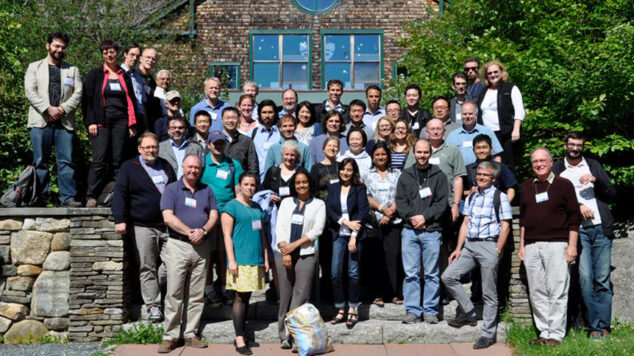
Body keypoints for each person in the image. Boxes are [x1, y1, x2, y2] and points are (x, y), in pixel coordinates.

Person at [441, 161, 512, 349]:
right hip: (470, 246)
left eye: (485, 175)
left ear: (493, 178)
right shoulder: (472, 197)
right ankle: (469, 312)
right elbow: (466, 223)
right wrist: (458, 248)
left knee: (489, 293)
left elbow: (505, 226)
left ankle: (488, 334)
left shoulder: (500, 197)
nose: (480, 177)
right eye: (479, 174)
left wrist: (497, 250)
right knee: (448, 276)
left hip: (489, 245)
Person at [553, 132, 616, 339]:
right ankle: (593, 326)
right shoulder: (557, 170)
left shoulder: (593, 165)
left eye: (579, 145)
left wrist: (596, 180)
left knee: (602, 280)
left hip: (600, 228)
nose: (575, 148)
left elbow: (611, 194)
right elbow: (554, 203)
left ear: (583, 147)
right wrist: (577, 206)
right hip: (577, 231)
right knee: (586, 279)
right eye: (571, 144)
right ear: (565, 146)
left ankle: (604, 325)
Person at [518, 148, 581, 346]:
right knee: (537, 291)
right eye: (535, 161)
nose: (539, 164)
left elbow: (574, 218)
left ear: (551, 162)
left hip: (557, 244)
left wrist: (572, 246)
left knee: (557, 289)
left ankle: (555, 334)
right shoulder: (527, 186)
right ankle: (543, 332)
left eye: (542, 160)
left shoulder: (564, 185)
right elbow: (523, 220)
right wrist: (522, 245)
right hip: (531, 246)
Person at [113, 132, 176, 323]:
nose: (151, 150)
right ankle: (154, 306)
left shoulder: (165, 165)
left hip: (166, 224)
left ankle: (158, 290)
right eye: (147, 147)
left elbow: (174, 191)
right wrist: (119, 219)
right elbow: (120, 194)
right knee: (146, 266)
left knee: (172, 264)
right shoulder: (129, 167)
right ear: (140, 149)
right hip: (142, 225)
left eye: (154, 147)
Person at [158, 154, 218, 353]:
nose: (193, 170)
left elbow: (213, 214)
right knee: (174, 292)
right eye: (190, 167)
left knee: (196, 294)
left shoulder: (206, 190)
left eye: (197, 168)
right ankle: (170, 336)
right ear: (183, 167)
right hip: (178, 245)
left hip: (201, 247)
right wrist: (190, 232)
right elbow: (168, 217)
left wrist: (204, 231)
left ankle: (191, 333)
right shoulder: (171, 189)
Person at [25, 31, 83, 207]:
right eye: (57, 46)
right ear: (48, 45)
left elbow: (78, 93)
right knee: (40, 161)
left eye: (63, 47)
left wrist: (62, 109)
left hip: (64, 123)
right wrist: (47, 109)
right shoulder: (34, 67)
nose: (60, 49)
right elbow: (30, 91)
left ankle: (68, 198)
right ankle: (39, 199)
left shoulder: (72, 70)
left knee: (66, 162)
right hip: (40, 121)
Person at [395, 139, 448, 324]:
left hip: (432, 230)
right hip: (410, 231)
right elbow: (401, 203)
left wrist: (425, 217)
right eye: (419, 152)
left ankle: (431, 310)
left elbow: (442, 204)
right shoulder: (406, 175)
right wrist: (413, 219)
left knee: (432, 273)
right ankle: (412, 310)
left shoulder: (439, 176)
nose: (422, 156)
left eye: (425, 152)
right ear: (414, 153)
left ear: (430, 153)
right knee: (411, 274)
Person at [274, 170, 326, 350]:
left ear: (310, 183)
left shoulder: (318, 204)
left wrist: (294, 246)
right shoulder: (287, 202)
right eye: (298, 183)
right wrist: (285, 251)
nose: (301, 185)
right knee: (285, 296)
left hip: (306, 254)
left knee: (301, 296)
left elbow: (317, 230)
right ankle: (283, 335)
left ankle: (297, 336)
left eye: (304, 182)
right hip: (283, 253)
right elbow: (279, 226)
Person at [83, 39, 138, 208]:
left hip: (121, 122)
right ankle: (91, 195)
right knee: (100, 159)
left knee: (118, 160)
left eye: (111, 51)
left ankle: (118, 195)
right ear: (102, 55)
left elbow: (131, 100)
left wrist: (132, 124)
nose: (108, 54)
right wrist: (90, 122)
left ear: (117, 53)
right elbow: (88, 100)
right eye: (105, 52)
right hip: (101, 122)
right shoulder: (95, 74)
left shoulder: (124, 75)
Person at [222, 173, 270, 355]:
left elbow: (262, 235)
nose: (250, 188)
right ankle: (239, 337)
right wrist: (231, 260)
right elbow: (226, 235)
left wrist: (265, 258)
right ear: (239, 186)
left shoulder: (257, 207)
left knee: (247, 296)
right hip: (240, 259)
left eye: (252, 185)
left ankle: (242, 331)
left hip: (255, 258)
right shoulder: (231, 207)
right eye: (246, 184)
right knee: (240, 298)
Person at [200, 131, 245, 306]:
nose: (218, 146)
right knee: (208, 255)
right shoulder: (203, 164)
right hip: (206, 215)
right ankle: (209, 290)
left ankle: (226, 288)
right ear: (209, 144)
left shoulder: (233, 165)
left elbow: (238, 190)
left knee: (224, 253)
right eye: (215, 143)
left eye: (221, 143)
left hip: (227, 214)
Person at [326, 158, 369, 329]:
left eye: (349, 170)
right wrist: (345, 222)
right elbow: (329, 209)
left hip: (355, 236)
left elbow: (363, 210)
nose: (345, 173)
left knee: (353, 272)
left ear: (354, 171)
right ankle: (339, 307)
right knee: (335, 272)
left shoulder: (359, 188)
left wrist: (353, 234)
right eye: (343, 169)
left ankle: (353, 307)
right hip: (338, 233)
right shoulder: (334, 187)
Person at [363, 142, 404, 306]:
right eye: (377, 154)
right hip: (374, 223)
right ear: (373, 157)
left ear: (388, 156)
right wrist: (382, 209)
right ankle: (377, 294)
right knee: (376, 259)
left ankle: (394, 293)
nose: (380, 157)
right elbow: (365, 196)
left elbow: (401, 195)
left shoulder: (397, 173)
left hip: (394, 221)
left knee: (393, 258)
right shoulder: (366, 174)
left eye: (383, 154)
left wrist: (390, 212)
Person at [477, 60, 525, 168]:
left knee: (507, 164)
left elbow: (519, 110)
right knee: (491, 165)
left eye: (495, 72)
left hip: (506, 134)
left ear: (501, 72)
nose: (493, 75)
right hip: (489, 134)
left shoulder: (511, 88)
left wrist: (516, 129)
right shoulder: (483, 91)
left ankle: (509, 185)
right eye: (490, 73)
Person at [309, 136, 340, 303]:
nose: (332, 148)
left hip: (339, 217)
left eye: (335, 146)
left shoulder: (341, 167)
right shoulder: (316, 168)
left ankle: (333, 291)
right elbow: (312, 192)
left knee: (335, 258)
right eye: (329, 146)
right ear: (323, 148)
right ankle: (321, 292)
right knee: (324, 257)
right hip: (322, 216)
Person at [446, 101, 503, 166]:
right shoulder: (452, 136)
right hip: (461, 174)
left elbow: (497, 156)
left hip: (483, 173)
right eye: (464, 114)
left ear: (476, 115)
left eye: (470, 114)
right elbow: (447, 158)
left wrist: (496, 172)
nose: (467, 116)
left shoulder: (487, 132)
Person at [222, 107, 259, 176]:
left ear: (239, 120)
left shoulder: (247, 141)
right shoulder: (215, 141)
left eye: (233, 118)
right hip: (219, 183)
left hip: (241, 183)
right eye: (227, 118)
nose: (230, 120)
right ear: (222, 120)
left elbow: (253, 166)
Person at [250, 100, 280, 182]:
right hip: (258, 179)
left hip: (277, 179)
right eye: (264, 112)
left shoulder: (281, 133)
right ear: (259, 114)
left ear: (275, 113)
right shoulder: (252, 133)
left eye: (270, 112)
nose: (267, 115)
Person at [120, 43, 146, 123]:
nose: (135, 58)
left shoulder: (139, 77)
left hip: (139, 117)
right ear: (125, 54)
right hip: (124, 117)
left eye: (137, 56)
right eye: (132, 55)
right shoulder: (118, 74)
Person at [138, 48, 161, 133]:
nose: (150, 60)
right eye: (148, 57)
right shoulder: (135, 76)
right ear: (141, 59)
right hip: (137, 122)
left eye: (153, 59)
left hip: (148, 123)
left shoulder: (151, 80)